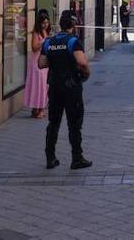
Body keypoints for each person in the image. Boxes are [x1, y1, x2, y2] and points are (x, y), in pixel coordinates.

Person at [43, 13, 92, 170]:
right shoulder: (72, 41)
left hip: (54, 88)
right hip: (71, 88)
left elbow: (41, 63)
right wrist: (86, 72)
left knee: (53, 123)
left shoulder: (49, 41)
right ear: (73, 26)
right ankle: (76, 158)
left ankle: (50, 158)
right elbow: (82, 62)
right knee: (74, 124)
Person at [25, 9, 50, 118]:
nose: (45, 25)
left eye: (47, 22)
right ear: (39, 23)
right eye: (43, 23)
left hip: (44, 62)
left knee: (44, 86)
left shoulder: (46, 32)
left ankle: (39, 108)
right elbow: (34, 48)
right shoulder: (36, 33)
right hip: (36, 62)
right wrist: (43, 42)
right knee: (38, 85)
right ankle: (38, 109)